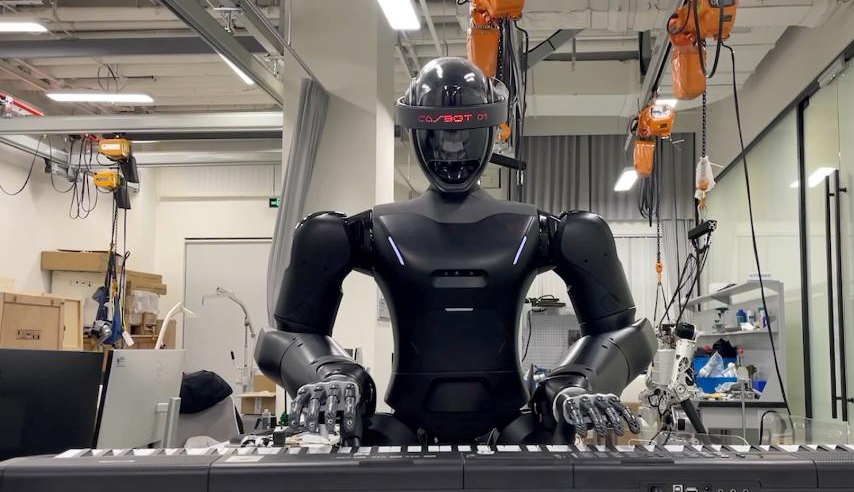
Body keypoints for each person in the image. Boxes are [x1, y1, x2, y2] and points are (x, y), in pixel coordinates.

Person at [255, 57, 657, 445]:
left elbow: (624, 333)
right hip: (406, 427)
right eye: (440, 134)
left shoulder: (551, 232)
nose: (452, 147)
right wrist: (334, 377)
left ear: (488, 130)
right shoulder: (360, 232)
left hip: (512, 427)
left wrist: (573, 386)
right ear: (418, 131)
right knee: (320, 234)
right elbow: (288, 336)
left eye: (464, 134)